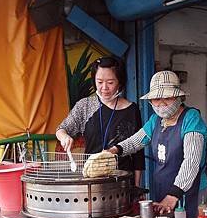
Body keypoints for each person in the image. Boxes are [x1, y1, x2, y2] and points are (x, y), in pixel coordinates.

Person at [106, 70, 207, 218]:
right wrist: (114, 150)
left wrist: (174, 194)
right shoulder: (155, 120)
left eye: (167, 97)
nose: (161, 103)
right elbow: (136, 141)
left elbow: (191, 162)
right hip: (164, 189)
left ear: (179, 97)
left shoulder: (191, 119)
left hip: (191, 192)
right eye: (156, 99)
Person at [56, 56, 144, 185]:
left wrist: (136, 186)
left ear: (120, 82)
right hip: (92, 179)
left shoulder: (132, 109)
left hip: (123, 180)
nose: (104, 88)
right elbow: (61, 129)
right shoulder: (85, 106)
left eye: (110, 82)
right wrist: (64, 137)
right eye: (99, 82)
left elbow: (138, 152)